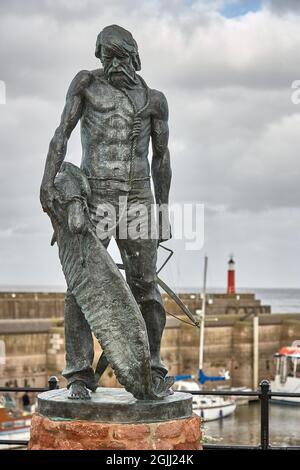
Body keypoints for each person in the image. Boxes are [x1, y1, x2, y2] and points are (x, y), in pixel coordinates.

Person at [40, 25, 172, 399]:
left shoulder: (155, 101)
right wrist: (47, 182)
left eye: (120, 56)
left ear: (135, 56)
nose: (113, 64)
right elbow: (61, 134)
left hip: (138, 197)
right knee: (79, 289)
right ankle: (80, 374)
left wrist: (162, 212)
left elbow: (162, 159)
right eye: (106, 56)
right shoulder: (85, 84)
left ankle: (154, 368)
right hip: (95, 195)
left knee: (145, 285)